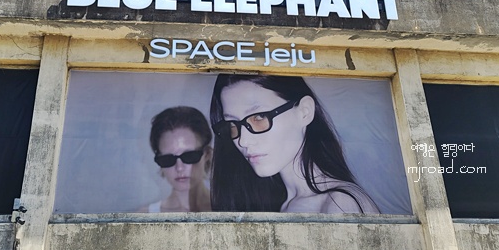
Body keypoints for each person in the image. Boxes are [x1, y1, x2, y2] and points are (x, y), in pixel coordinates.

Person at [210, 74, 379, 213]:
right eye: (232, 124)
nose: (243, 141)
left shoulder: (339, 204)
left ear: (305, 112)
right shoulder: (272, 202)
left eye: (259, 117)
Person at [139, 106, 212, 213]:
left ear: (207, 154)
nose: (179, 168)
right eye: (167, 159)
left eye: (189, 156)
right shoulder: (144, 217)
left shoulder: (231, 210)